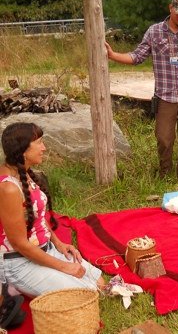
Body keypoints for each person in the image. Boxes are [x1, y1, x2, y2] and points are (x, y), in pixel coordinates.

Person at [105, 0, 178, 188]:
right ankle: (165, 173)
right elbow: (137, 56)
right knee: (163, 137)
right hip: (165, 94)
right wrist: (112, 55)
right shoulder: (154, 32)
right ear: (170, 9)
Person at [0, 122, 104, 298]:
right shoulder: (8, 188)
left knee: (99, 284)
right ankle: (11, 284)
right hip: (18, 261)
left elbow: (38, 215)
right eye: (39, 143)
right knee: (86, 294)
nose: (44, 148)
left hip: (45, 250)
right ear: (23, 150)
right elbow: (18, 244)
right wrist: (63, 266)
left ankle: (26, 286)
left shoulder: (24, 172)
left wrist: (58, 244)